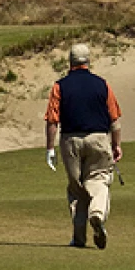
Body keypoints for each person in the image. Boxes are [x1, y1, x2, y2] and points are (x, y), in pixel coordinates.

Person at [44, 43, 122, 249]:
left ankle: (79, 238)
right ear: (88, 61)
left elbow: (52, 120)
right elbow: (114, 120)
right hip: (98, 138)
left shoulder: (59, 86)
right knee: (99, 180)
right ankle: (97, 214)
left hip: (70, 141)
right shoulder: (102, 85)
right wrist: (116, 145)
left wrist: (50, 149)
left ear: (70, 62)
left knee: (77, 188)